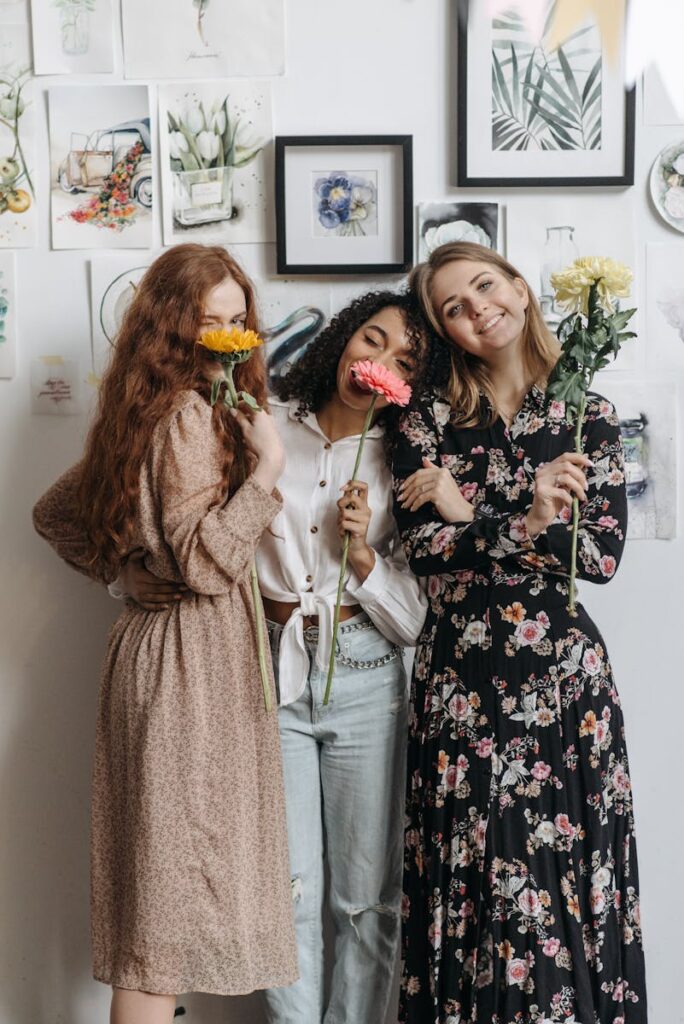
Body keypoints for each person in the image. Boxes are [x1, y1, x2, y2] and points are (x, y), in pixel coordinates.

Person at [121, 290, 431, 1024]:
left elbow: (416, 621)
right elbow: (192, 535)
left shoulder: (407, 460)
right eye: (371, 339)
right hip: (265, 666)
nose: (377, 363)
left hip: (366, 673)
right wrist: (131, 579)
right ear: (342, 340)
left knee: (364, 900)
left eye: (402, 360)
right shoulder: (260, 429)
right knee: (282, 890)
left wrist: (362, 559)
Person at [32, 244, 298, 1024]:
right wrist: (266, 473)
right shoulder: (186, 415)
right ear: (169, 329)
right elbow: (209, 564)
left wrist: (124, 575)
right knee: (163, 927)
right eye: (203, 322)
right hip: (187, 665)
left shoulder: (154, 410)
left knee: (164, 904)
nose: (224, 337)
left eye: (236, 320)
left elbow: (56, 514)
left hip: (173, 658)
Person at [392, 242, 647, 1024]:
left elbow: (599, 555)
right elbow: (422, 553)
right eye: (453, 310)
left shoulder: (588, 416)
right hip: (460, 687)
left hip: (563, 689)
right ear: (445, 332)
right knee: (466, 883)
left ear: (520, 288)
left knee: (564, 881)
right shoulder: (423, 419)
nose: (477, 311)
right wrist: (528, 521)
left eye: (484, 287)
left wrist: (474, 516)